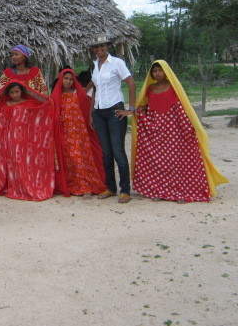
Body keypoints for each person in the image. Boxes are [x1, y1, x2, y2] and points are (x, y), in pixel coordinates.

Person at [131, 60, 228, 202]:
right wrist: (138, 112)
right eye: (154, 71)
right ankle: (159, 190)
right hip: (156, 130)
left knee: (178, 161)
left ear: (166, 71)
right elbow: (146, 107)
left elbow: (181, 107)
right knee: (159, 161)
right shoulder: (150, 89)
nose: (157, 73)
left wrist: (188, 128)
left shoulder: (173, 87)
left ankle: (182, 192)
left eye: (160, 70)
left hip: (174, 129)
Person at [0, 80, 65, 201]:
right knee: (15, 163)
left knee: (26, 163)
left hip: (26, 140)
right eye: (12, 92)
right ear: (8, 94)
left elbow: (44, 108)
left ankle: (27, 185)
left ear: (21, 92)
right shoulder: (6, 105)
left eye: (17, 91)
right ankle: (17, 186)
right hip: (11, 139)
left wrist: (39, 97)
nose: (15, 94)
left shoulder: (29, 103)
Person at [90, 36, 136, 204]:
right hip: (99, 112)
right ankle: (110, 188)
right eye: (97, 46)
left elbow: (131, 83)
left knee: (118, 151)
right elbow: (95, 89)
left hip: (115, 111)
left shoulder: (117, 63)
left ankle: (125, 190)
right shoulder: (94, 65)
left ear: (107, 46)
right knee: (106, 153)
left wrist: (130, 109)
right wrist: (91, 113)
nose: (100, 49)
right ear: (94, 49)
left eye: (102, 45)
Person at [51, 68, 106, 196]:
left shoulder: (78, 93)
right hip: (65, 132)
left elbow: (89, 106)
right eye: (66, 78)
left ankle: (85, 184)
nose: (68, 81)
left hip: (79, 132)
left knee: (81, 157)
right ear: (61, 79)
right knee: (69, 158)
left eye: (71, 79)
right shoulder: (55, 95)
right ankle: (73, 184)